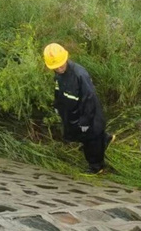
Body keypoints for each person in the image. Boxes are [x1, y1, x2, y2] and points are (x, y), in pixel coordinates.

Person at [44, 43, 114, 175]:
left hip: (88, 113)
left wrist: (85, 121)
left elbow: (89, 99)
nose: (59, 68)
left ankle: (96, 167)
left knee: (91, 139)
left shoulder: (80, 74)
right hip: (72, 113)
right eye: (56, 67)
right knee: (78, 134)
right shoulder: (59, 75)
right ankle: (105, 139)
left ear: (65, 58)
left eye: (61, 65)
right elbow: (59, 91)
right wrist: (57, 106)